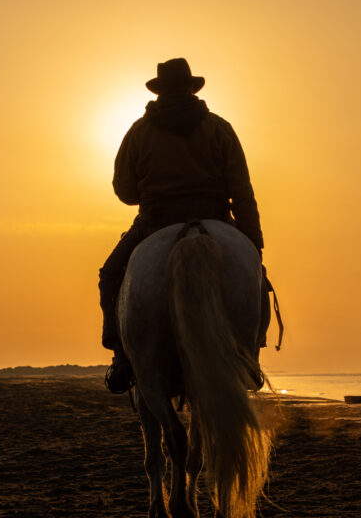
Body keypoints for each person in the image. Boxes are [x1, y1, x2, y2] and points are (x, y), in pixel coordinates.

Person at [99, 58, 266, 394]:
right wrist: (253, 242)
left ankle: (120, 355)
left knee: (110, 275)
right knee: (257, 278)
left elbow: (124, 191)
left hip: (154, 221)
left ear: (159, 92)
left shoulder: (139, 131)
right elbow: (242, 190)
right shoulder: (220, 128)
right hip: (215, 216)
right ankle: (250, 358)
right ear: (192, 88)